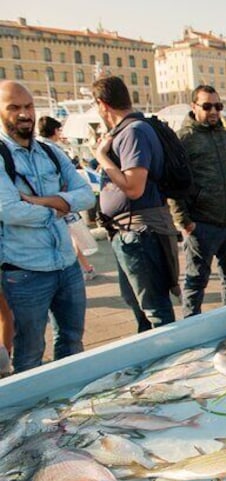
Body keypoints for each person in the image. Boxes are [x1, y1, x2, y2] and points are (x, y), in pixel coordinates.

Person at [0, 80, 96, 372]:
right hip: (25, 273)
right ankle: (27, 414)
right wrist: (60, 207)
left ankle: (66, 408)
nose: (24, 113)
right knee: (29, 352)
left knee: (72, 342)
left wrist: (41, 201)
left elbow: (87, 195)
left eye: (28, 106)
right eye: (14, 107)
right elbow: (10, 210)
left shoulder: (51, 152)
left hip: (67, 266)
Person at [92, 76, 180, 333]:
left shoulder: (133, 132)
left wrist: (101, 157)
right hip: (131, 232)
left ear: (102, 104)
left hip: (140, 233)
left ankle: (170, 360)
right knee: (141, 306)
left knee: (155, 310)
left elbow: (134, 187)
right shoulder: (130, 131)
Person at [172, 85, 226, 317]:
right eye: (207, 106)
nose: (214, 111)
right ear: (194, 107)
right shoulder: (183, 140)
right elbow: (173, 183)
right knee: (196, 284)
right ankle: (191, 330)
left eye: (218, 106)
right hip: (202, 225)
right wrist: (184, 222)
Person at [38, 115, 98, 281]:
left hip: (43, 204)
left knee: (66, 237)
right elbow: (70, 179)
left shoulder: (36, 148)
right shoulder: (53, 150)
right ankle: (83, 269)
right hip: (60, 202)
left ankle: (84, 268)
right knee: (70, 237)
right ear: (55, 131)